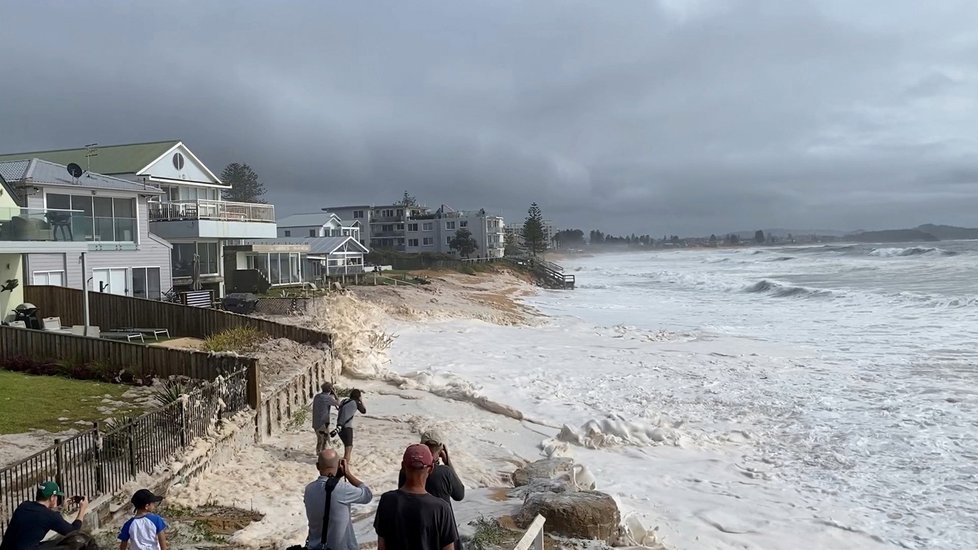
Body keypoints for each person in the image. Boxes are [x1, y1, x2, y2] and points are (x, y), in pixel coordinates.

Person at [374, 445, 457, 550]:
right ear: (431, 469)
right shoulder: (441, 508)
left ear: (403, 467)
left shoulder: (387, 501)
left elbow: (381, 546)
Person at [397, 430, 465, 550]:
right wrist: (448, 462)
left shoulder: (405, 473)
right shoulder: (445, 472)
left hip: (414, 534)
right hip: (443, 534)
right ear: (441, 449)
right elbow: (459, 495)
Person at [303, 449, 373, 550]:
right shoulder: (343, 489)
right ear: (340, 465)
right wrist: (348, 473)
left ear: (318, 466)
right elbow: (367, 495)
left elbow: (327, 494)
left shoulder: (309, 489)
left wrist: (336, 479)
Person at [0, 481, 89, 550]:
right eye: (56, 496)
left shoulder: (24, 505)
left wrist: (62, 508)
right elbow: (74, 531)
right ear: (52, 497)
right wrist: (82, 510)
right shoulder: (50, 516)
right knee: (74, 543)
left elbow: (43, 515)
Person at [335, 389, 366, 463]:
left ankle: (340, 465)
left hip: (339, 426)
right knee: (348, 451)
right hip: (347, 428)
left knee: (346, 447)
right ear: (358, 396)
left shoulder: (344, 401)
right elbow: (364, 411)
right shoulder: (356, 402)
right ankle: (345, 469)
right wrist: (361, 401)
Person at [312, 382, 340, 453]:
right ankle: (323, 456)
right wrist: (335, 394)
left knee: (320, 440)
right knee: (325, 441)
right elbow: (339, 403)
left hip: (315, 422)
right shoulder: (327, 398)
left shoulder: (317, 396)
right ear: (330, 389)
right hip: (323, 423)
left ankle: (318, 454)